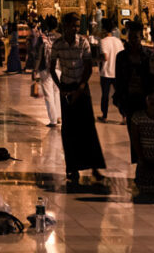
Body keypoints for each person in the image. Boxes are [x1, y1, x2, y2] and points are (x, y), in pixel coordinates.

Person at [50, 12, 105, 183]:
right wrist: (61, 88)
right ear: (65, 26)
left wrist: (81, 87)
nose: (75, 29)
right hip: (66, 88)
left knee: (87, 127)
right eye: (72, 25)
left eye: (76, 26)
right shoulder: (58, 45)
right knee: (69, 130)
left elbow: (88, 67)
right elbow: (51, 68)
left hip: (81, 86)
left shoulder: (83, 42)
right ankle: (72, 169)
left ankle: (95, 167)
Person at [114, 24, 153, 160]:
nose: (133, 40)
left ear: (141, 37)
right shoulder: (122, 57)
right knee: (133, 133)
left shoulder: (148, 55)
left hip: (145, 100)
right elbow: (118, 80)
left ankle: (148, 160)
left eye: (136, 37)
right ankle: (138, 162)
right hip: (129, 99)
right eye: (130, 37)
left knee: (147, 131)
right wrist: (120, 101)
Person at [33, 16, 61, 127]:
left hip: (46, 68)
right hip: (58, 68)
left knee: (49, 95)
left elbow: (39, 56)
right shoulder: (61, 37)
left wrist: (35, 70)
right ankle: (58, 116)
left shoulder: (42, 38)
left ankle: (53, 120)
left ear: (47, 26)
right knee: (57, 92)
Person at [97, 18, 125, 123]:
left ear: (104, 29)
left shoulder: (103, 41)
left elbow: (105, 57)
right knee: (119, 94)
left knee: (105, 96)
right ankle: (124, 116)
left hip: (106, 72)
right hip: (117, 73)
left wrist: (96, 59)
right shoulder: (118, 41)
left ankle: (104, 116)